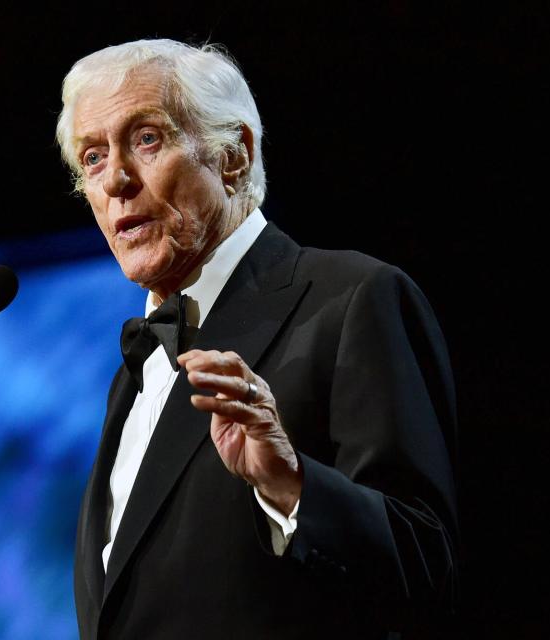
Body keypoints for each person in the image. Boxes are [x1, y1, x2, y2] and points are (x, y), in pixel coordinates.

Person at [56, 39, 458, 639]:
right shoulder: (132, 375)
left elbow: (424, 561)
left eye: (146, 139)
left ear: (234, 155)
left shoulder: (352, 300)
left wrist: (291, 485)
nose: (115, 180)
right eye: (92, 157)